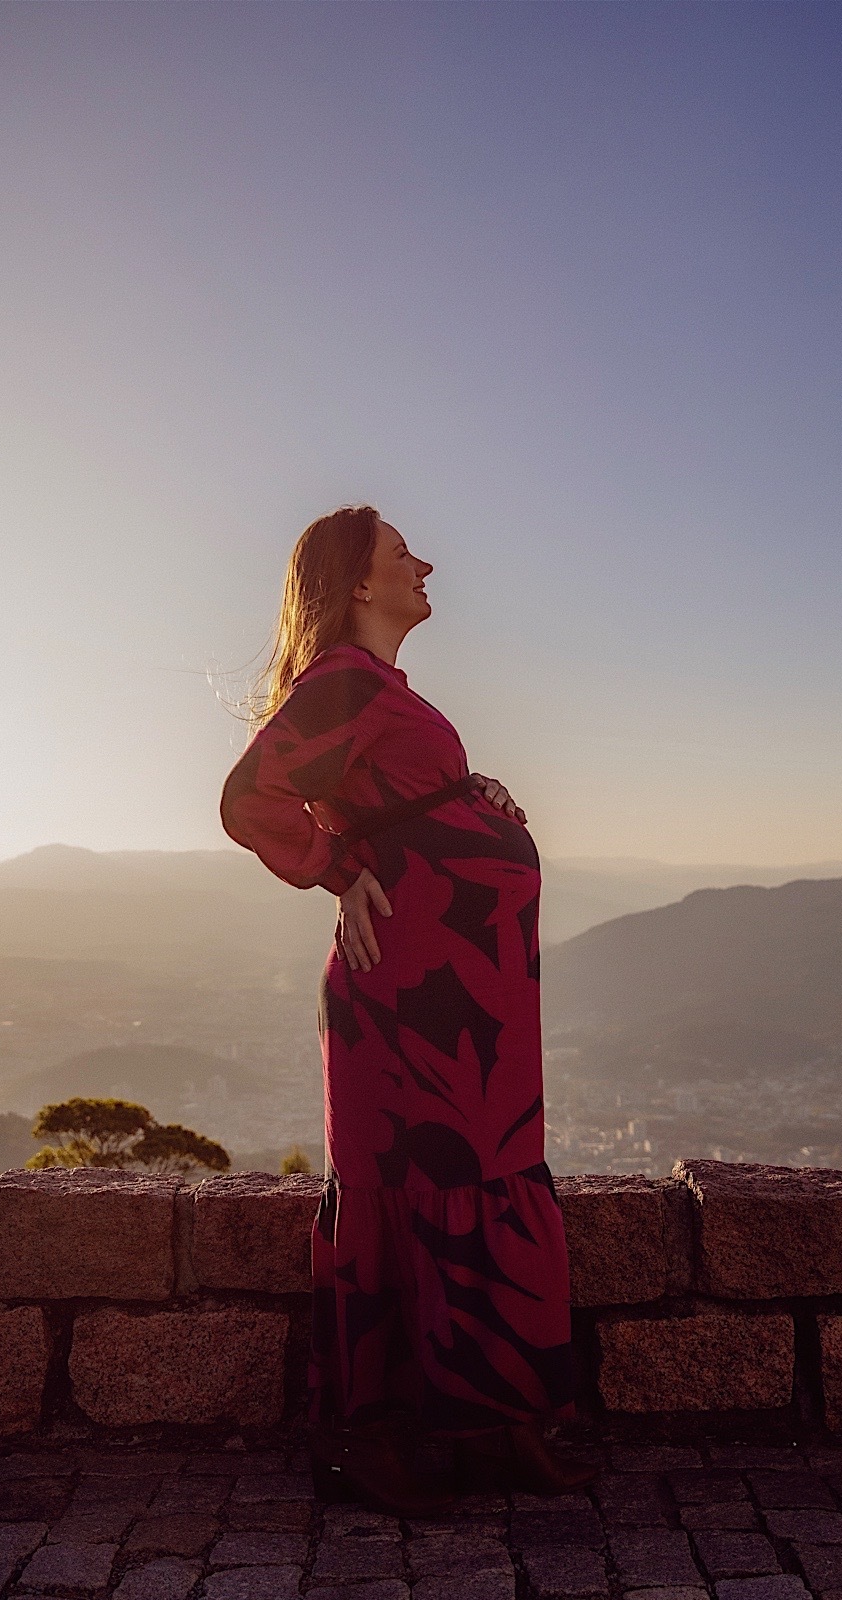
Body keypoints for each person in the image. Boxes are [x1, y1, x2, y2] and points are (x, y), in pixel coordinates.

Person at [220, 505, 595, 1515]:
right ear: (354, 583)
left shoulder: (382, 691)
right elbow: (251, 796)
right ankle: (365, 1438)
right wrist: (337, 866)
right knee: (415, 1185)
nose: (424, 564)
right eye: (400, 554)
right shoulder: (340, 679)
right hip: (408, 1003)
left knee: (486, 1174)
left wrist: (467, 791)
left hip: (470, 1001)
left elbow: (386, 789)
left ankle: (492, 1420)